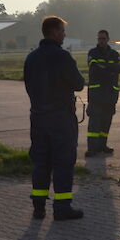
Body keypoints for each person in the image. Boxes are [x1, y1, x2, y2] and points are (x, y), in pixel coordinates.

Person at [23, 16, 86, 220]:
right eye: (62, 31)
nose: (64, 35)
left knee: (41, 162)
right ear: (53, 32)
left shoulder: (31, 58)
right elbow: (78, 83)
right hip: (60, 118)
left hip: (38, 117)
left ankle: (38, 207)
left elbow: (28, 86)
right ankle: (62, 207)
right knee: (63, 163)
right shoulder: (62, 57)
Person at [85, 29, 120, 157]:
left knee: (106, 121)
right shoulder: (93, 53)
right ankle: (92, 148)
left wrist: (106, 68)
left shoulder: (114, 54)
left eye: (103, 39)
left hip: (110, 94)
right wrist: (111, 71)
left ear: (108, 39)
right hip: (96, 94)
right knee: (94, 123)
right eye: (99, 39)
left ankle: (102, 145)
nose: (101, 41)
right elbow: (95, 68)